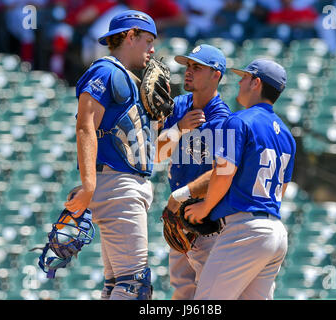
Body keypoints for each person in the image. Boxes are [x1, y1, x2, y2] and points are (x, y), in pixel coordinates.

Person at [64, 9, 160, 300]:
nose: (152, 49)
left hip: (122, 182)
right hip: (118, 185)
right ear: (130, 37)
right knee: (134, 286)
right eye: (147, 40)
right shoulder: (106, 70)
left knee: (117, 284)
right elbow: (85, 127)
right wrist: (89, 184)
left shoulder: (126, 78)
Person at [184, 58, 296, 300]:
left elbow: (224, 172)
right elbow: (282, 188)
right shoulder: (287, 134)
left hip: (244, 231)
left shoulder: (239, 120)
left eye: (244, 77)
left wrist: (205, 207)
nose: (239, 82)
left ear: (256, 83)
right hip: (275, 231)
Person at [156, 44, 231, 299]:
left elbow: (223, 174)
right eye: (188, 66)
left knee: (209, 297)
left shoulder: (223, 120)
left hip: (207, 223)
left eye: (197, 67)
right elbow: (155, 155)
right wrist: (177, 130)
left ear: (216, 75)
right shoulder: (179, 106)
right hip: (177, 219)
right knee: (182, 293)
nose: (189, 71)